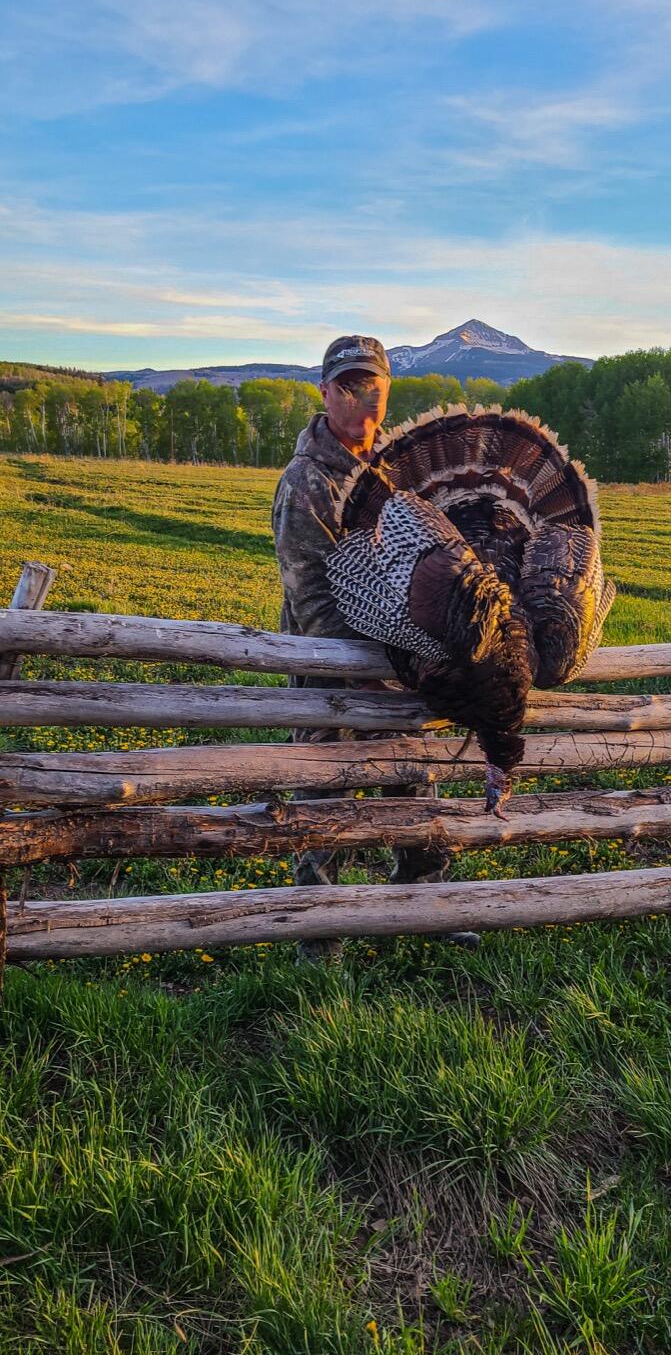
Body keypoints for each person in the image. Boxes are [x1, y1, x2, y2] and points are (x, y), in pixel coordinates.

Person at [272, 333, 476, 958]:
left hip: (400, 658)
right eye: (350, 388)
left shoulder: (398, 467)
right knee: (326, 789)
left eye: (374, 388)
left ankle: (422, 911)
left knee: (414, 782)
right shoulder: (307, 480)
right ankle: (318, 934)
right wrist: (362, 674)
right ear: (325, 392)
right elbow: (312, 597)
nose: (363, 401)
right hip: (328, 666)